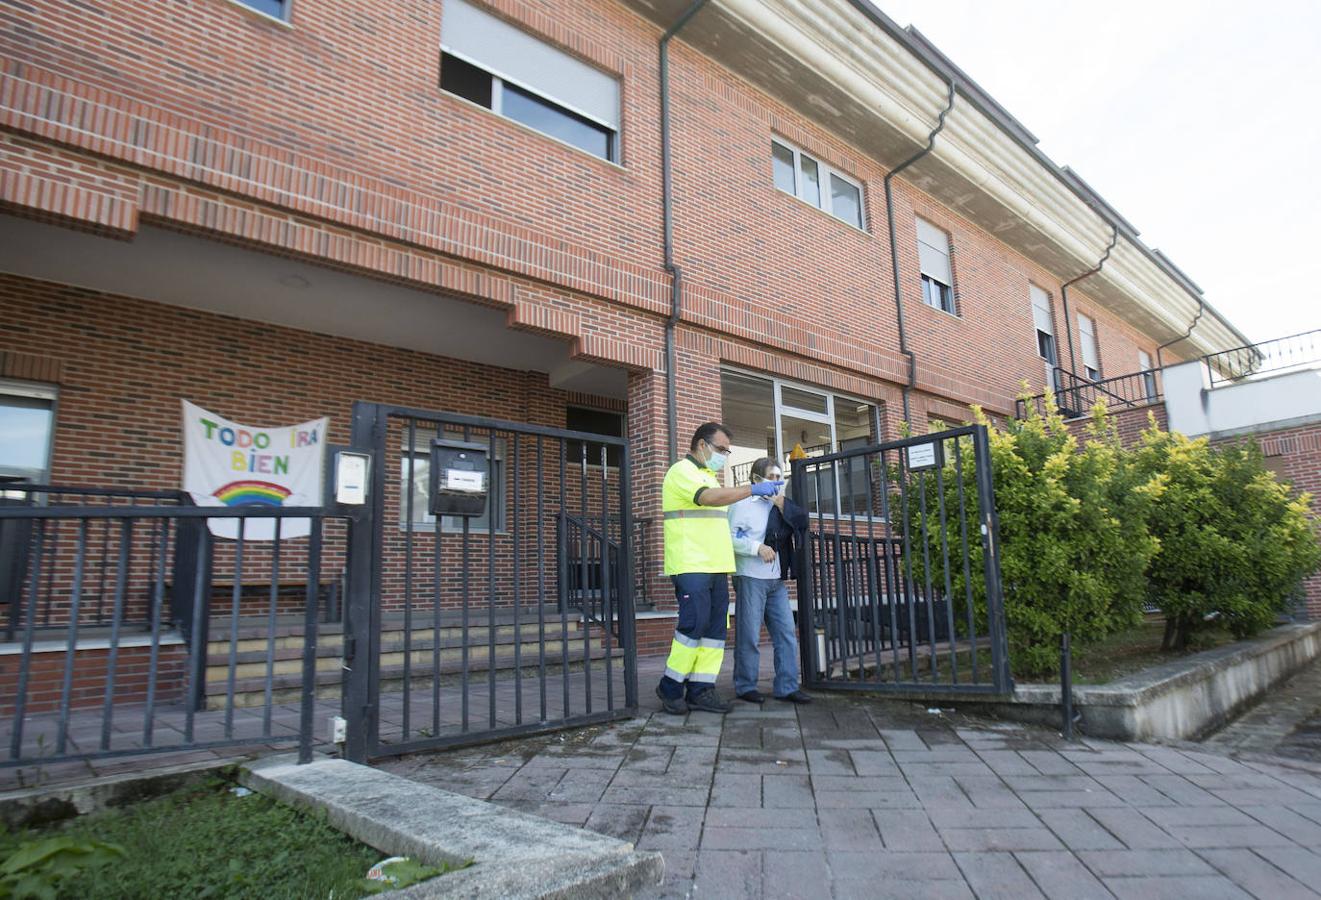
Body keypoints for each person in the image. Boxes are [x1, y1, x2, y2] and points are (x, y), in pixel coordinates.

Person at [656, 423, 784, 715]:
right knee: (693, 625)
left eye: (728, 451)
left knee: (714, 631)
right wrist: (751, 488)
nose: (724, 456)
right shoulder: (681, 472)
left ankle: (702, 689)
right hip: (690, 563)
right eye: (721, 449)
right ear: (702, 445)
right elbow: (708, 499)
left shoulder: (709, 476)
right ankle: (671, 686)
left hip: (716, 564)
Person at [728, 458, 812, 704]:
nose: (777, 481)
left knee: (786, 633)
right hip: (750, 577)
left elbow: (802, 522)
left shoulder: (780, 504)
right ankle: (745, 686)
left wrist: (780, 502)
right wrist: (756, 547)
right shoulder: (741, 504)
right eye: (772, 477)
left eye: (780, 476)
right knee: (749, 634)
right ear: (756, 480)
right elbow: (728, 537)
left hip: (776, 580)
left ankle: (787, 687)